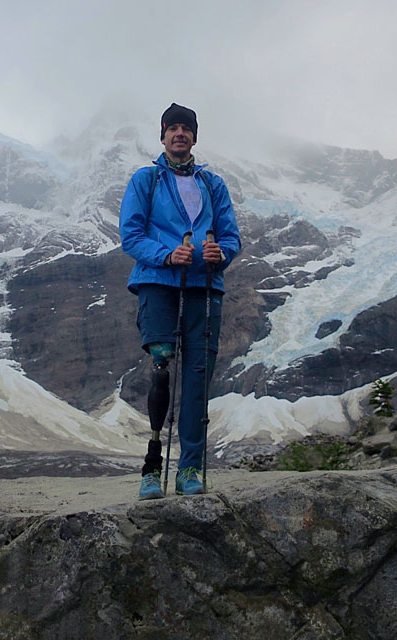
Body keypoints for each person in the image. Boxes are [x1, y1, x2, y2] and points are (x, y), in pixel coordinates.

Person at [119, 103, 241, 499]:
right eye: (172, 129)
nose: (179, 135)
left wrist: (218, 254)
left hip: (204, 288)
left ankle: (189, 468)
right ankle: (152, 469)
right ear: (162, 136)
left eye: (185, 129)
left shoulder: (213, 184)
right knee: (161, 366)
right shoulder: (146, 179)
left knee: (197, 378)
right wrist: (169, 255)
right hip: (159, 283)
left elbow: (231, 238)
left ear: (194, 137)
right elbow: (131, 235)